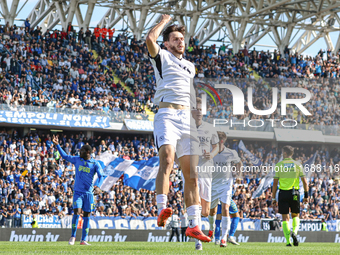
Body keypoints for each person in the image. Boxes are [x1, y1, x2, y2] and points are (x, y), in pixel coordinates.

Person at [146, 14, 210, 242]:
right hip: (167, 115)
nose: (180, 42)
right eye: (175, 38)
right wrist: (163, 22)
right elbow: (149, 39)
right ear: (167, 43)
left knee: (191, 174)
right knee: (167, 159)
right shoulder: (161, 56)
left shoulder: (190, 67)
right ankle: (162, 209)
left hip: (187, 120)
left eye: (182, 38)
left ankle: (194, 225)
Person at [52, 135, 104, 245]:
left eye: (81, 151)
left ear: (88, 152)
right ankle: (73, 237)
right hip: (78, 192)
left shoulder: (95, 164)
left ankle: (84, 240)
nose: (79, 152)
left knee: (87, 216)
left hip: (89, 194)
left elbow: (101, 176)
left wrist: (98, 186)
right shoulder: (77, 159)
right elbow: (65, 156)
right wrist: (57, 144)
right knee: (77, 212)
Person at [191, 97, 219, 250]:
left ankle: (208, 228)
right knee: (194, 204)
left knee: (205, 210)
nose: (199, 111)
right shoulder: (186, 127)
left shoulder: (210, 128)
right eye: (197, 109)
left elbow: (216, 147)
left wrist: (212, 154)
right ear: (191, 111)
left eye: (201, 109)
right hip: (191, 170)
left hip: (207, 169)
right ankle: (198, 241)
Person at [208, 131, 242, 247]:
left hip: (226, 185)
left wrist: (239, 175)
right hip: (212, 186)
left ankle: (223, 238)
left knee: (225, 209)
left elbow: (239, 163)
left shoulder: (231, 153)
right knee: (211, 212)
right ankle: (211, 229)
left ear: (221, 141)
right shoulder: (209, 152)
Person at [272, 145, 308, 247]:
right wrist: (306, 196)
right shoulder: (298, 164)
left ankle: (288, 242)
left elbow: (275, 183)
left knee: (285, 217)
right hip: (294, 193)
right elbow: (305, 182)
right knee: (295, 215)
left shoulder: (279, 165)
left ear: (285, 153)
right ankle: (295, 233)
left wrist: (273, 197)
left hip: (283, 193)